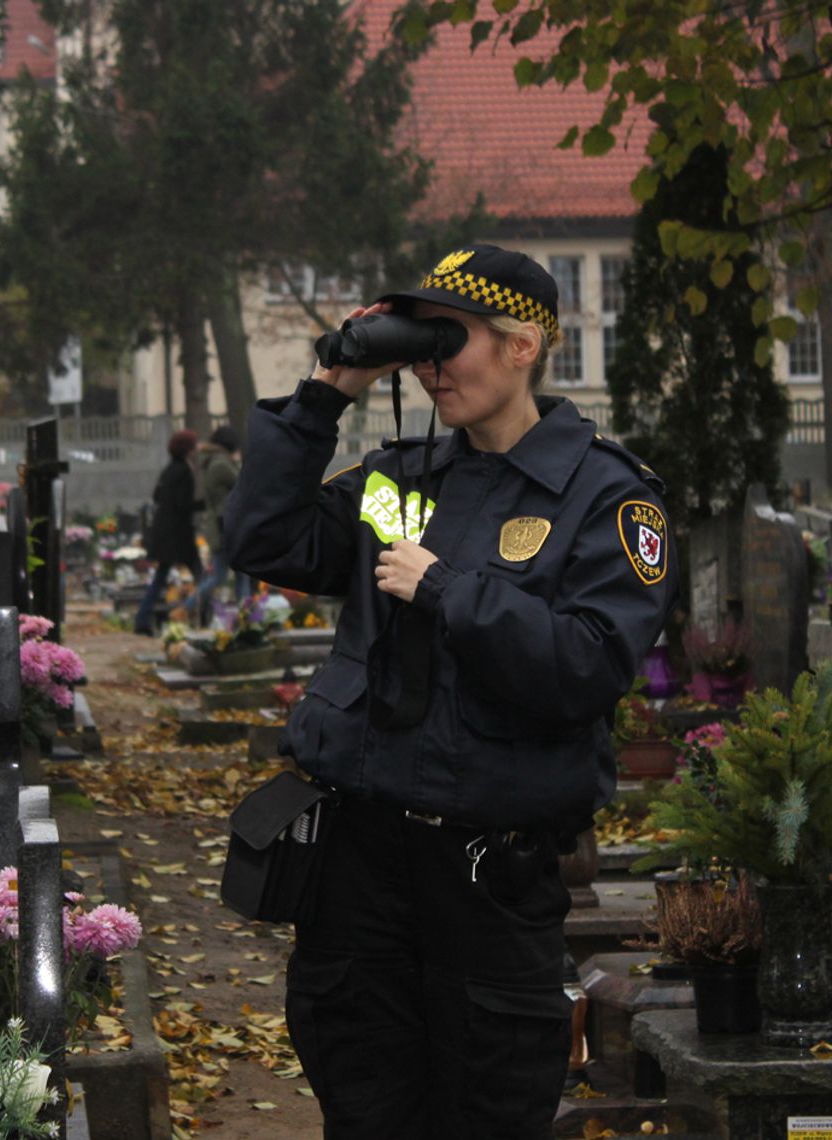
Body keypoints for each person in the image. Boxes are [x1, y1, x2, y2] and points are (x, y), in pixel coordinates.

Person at [223, 244, 678, 1138]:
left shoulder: (604, 498)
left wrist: (448, 591)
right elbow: (266, 538)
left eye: (450, 341)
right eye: (420, 343)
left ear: (522, 346)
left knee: (488, 1111)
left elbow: (588, 666)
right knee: (364, 1108)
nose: (431, 366)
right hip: (358, 871)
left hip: (487, 880)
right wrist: (328, 392)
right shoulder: (408, 485)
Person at [134, 429, 202, 636]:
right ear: (188, 449)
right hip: (178, 535)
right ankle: (206, 614)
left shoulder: (169, 469)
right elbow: (183, 504)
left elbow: (157, 496)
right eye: (194, 445)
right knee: (202, 575)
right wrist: (204, 504)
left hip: (164, 533)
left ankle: (142, 620)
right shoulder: (183, 470)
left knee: (161, 577)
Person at [185, 425, 252, 626]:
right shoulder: (221, 464)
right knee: (228, 576)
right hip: (227, 528)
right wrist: (238, 463)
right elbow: (244, 483)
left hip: (222, 526)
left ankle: (244, 616)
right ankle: (188, 606)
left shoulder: (213, 462)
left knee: (233, 575)